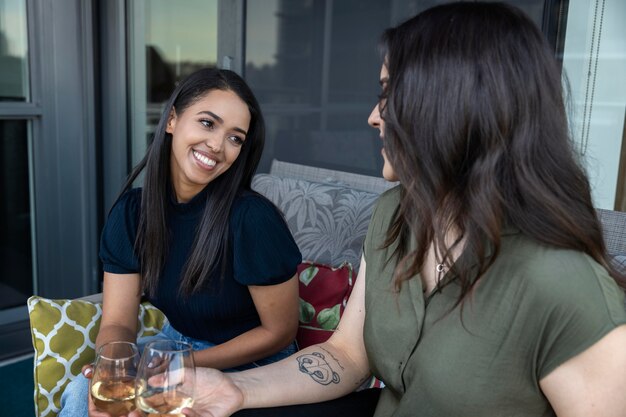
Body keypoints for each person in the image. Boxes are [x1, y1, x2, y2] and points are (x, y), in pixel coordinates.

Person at [157, 3, 625, 417]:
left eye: (388, 92)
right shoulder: (395, 215)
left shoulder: (566, 289)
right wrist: (234, 389)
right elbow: (345, 357)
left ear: (452, 107)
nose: (373, 116)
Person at [59, 68, 302, 417]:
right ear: (172, 120)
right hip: (174, 345)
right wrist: (113, 365)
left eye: (236, 138)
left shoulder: (253, 219)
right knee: (85, 390)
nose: (218, 145)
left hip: (253, 362)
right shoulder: (131, 214)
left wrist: (178, 367)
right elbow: (118, 322)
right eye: (208, 123)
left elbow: (279, 333)